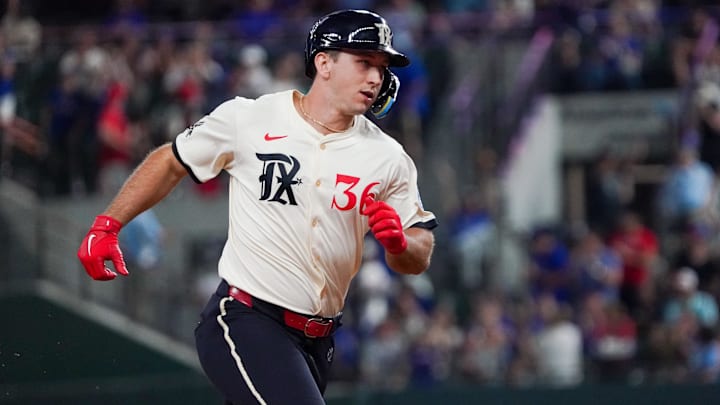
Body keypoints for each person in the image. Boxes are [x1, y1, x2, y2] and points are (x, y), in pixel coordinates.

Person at [76, 9, 437, 405]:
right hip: (246, 319)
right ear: (324, 62)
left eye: (382, 67)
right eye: (364, 62)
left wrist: (401, 245)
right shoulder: (249, 118)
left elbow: (418, 252)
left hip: (318, 342)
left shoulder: (388, 157)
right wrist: (108, 224)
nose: (375, 77)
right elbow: (170, 160)